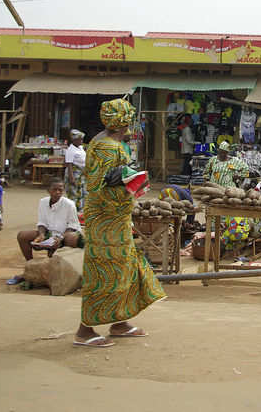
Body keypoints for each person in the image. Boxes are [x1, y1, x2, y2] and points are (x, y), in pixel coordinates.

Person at [74, 98, 166, 348]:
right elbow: (100, 188)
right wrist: (130, 189)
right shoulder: (108, 147)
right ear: (123, 122)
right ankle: (85, 330)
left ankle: (120, 321)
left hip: (115, 220)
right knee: (103, 273)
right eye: (128, 120)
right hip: (106, 222)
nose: (130, 125)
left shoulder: (103, 142)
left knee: (125, 269)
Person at [8, 180, 83, 285]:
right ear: (48, 190)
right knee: (22, 235)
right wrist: (41, 235)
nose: (57, 192)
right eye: (54, 190)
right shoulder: (43, 202)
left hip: (65, 235)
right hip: (50, 234)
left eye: (60, 190)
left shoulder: (69, 204)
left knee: (71, 237)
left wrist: (60, 238)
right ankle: (30, 267)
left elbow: (73, 226)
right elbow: (42, 223)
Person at [64, 129, 87, 213]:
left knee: (82, 192)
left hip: (81, 174)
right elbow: (69, 164)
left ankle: (80, 211)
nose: (81, 141)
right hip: (74, 174)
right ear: (74, 140)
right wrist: (71, 178)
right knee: (74, 193)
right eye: (80, 139)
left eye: (82, 139)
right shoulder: (70, 150)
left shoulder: (80, 148)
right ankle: (73, 212)